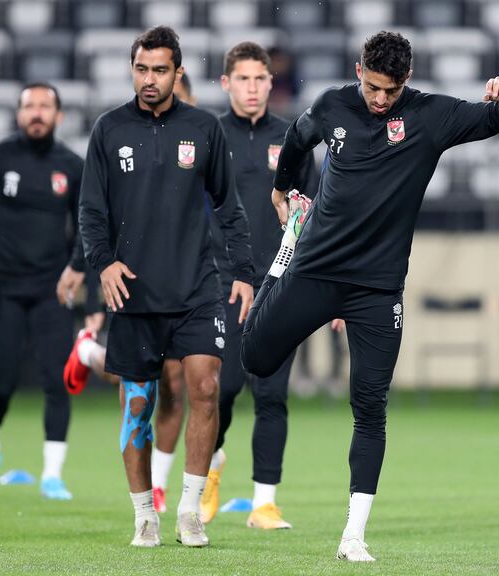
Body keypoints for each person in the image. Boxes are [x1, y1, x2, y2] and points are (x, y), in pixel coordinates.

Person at [240, 31, 499, 562]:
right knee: (254, 358)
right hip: (316, 270)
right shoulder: (331, 105)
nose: (378, 99)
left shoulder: (430, 116)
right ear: (358, 70)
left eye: (389, 91)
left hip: (377, 288)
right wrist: (282, 191)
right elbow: (299, 142)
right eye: (371, 87)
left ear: (407, 81)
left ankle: (354, 535)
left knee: (370, 407)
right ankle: (280, 262)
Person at [78, 26, 254, 548]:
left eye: (159, 70)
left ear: (178, 73)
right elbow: (90, 211)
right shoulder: (108, 130)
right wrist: (103, 264)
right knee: (137, 407)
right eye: (140, 69)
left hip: (198, 287)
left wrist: (243, 272)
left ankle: (189, 511)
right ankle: (143, 515)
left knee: (205, 387)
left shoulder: (203, 128)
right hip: (132, 292)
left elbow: (229, 205)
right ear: (131, 69)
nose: (149, 79)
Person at [191, 41, 322, 529]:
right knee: (220, 391)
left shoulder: (293, 139)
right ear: (226, 83)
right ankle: (208, 471)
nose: (252, 87)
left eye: (260, 79)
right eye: (242, 79)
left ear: (272, 83)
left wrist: (322, 286)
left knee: (272, 395)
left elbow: (311, 216)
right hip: (219, 285)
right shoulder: (207, 135)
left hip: (279, 285)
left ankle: (264, 503)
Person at [63, 72, 198, 514]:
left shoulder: (201, 142)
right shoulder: (121, 136)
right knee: (140, 384)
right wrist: (88, 272)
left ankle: (159, 483)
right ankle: (88, 352)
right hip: (130, 279)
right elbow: (97, 212)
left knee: (177, 383)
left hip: (186, 283)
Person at [0, 82, 86, 501]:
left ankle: (52, 475)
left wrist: (77, 270)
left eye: (45, 106)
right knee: (1, 384)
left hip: (51, 291)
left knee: (57, 381)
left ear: (59, 116)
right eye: (29, 106)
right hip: (2, 290)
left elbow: (89, 226)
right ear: (18, 113)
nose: (37, 113)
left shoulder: (71, 165)